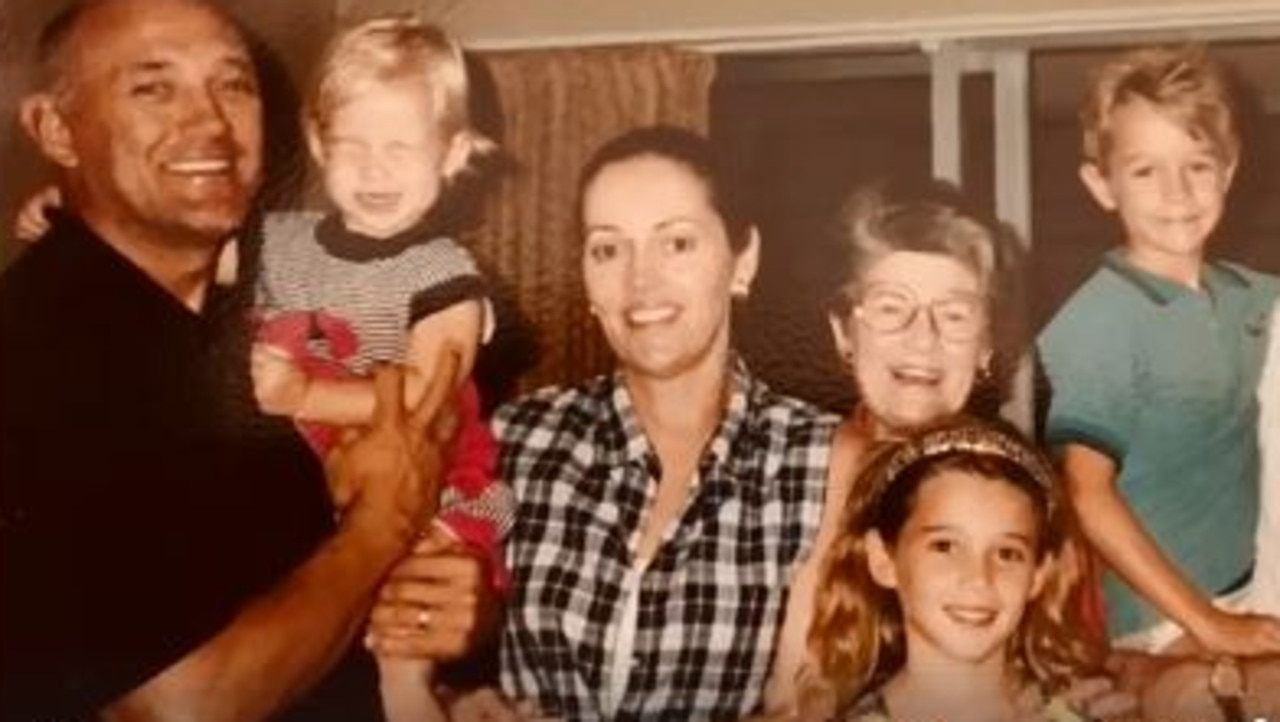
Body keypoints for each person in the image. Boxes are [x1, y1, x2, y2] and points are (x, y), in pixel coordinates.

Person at [0, 1, 491, 720]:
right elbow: (179, 709)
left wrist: (449, 651)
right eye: (153, 87)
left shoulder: (249, 309)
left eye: (233, 85)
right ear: (55, 130)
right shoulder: (34, 356)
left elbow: (301, 604)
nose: (210, 123)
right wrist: (384, 524)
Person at [244, 17, 514, 722]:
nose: (375, 170)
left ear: (452, 154)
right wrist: (70, 219)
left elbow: (427, 395)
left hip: (430, 469)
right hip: (311, 479)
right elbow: (177, 255)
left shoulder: (444, 275)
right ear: (314, 142)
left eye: (401, 147)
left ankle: (408, 693)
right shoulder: (280, 240)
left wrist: (303, 391)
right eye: (352, 145)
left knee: (408, 589)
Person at [1037, 44, 1280, 654]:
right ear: (1102, 184)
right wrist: (1207, 621)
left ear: (1228, 171)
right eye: (1145, 170)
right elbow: (1088, 495)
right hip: (1160, 621)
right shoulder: (1101, 321)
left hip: (1253, 589)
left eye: (1197, 165)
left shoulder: (1252, 297)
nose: (1177, 192)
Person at [807, 418, 1100, 722]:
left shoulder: (1085, 710)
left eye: (1007, 553)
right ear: (884, 560)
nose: (978, 579)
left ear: (1039, 574)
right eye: (945, 546)